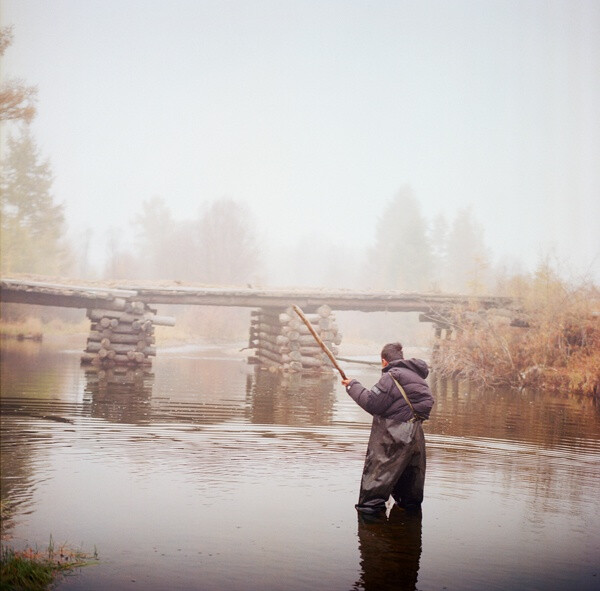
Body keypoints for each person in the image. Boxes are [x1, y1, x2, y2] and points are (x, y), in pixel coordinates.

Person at [341, 342, 434, 514]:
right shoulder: (418, 378)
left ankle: (371, 536)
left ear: (384, 361)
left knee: (371, 500)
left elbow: (372, 404)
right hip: (416, 436)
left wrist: (352, 386)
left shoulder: (391, 376)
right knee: (409, 497)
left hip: (394, 436)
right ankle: (407, 534)